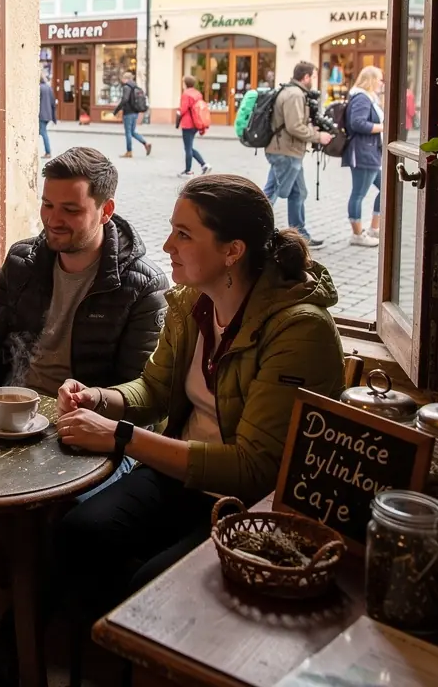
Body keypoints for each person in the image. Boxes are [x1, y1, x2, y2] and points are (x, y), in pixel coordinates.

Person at [0, 146, 169, 676]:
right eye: (47, 205)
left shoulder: (143, 284)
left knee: (61, 522)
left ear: (106, 210)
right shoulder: (25, 260)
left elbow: (140, 393)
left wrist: (79, 413)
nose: (54, 220)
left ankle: (11, 640)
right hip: (7, 421)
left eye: (70, 210)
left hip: (83, 432)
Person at [54, 173, 343, 626]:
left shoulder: (299, 329)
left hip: (253, 508)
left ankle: (144, 655)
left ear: (233, 251)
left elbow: (255, 469)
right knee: (77, 531)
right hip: (179, 478)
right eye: (172, 229)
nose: (167, 245)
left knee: (149, 586)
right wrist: (99, 398)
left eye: (184, 234)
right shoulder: (193, 302)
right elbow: (152, 389)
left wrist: (121, 437)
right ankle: (106, 652)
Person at [264, 61, 332, 248]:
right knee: (271, 194)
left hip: (289, 151)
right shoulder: (294, 94)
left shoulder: (293, 92)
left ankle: (299, 235)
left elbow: (292, 124)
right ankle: (254, 232)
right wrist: (319, 136)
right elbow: (294, 126)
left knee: (298, 192)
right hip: (285, 152)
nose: (315, 81)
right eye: (314, 76)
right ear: (306, 77)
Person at [343, 65, 384, 247]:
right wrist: (383, 127)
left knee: (386, 189)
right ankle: (357, 234)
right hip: (363, 152)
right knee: (358, 193)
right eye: (380, 79)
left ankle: (374, 228)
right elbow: (357, 123)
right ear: (371, 80)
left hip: (370, 151)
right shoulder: (362, 98)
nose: (382, 83)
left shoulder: (368, 98)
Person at [178, 75, 211, 177]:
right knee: (189, 147)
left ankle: (189, 170)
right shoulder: (197, 93)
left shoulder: (186, 94)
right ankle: (204, 165)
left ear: (185, 84)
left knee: (188, 148)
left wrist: (177, 116)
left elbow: (182, 109)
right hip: (196, 122)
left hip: (187, 123)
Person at [114, 71, 152, 158]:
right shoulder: (136, 86)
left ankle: (129, 151)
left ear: (126, 79)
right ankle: (146, 143)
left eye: (123, 78)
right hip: (135, 113)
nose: (122, 80)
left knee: (128, 132)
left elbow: (124, 100)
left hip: (128, 113)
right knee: (132, 132)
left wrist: (116, 110)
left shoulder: (127, 87)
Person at [39, 73, 56, 158]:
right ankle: (47, 152)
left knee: (43, 132)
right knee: (42, 131)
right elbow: (53, 103)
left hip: (42, 114)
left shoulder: (40, 88)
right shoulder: (48, 88)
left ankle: (48, 152)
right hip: (47, 114)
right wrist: (54, 118)